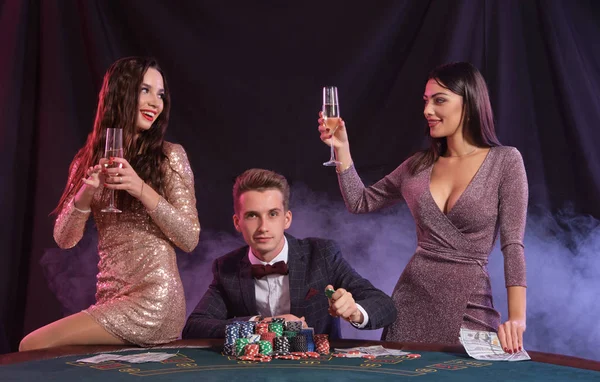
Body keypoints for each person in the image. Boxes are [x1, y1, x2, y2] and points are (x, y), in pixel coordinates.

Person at [318, 62, 528, 354]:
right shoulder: (417, 165)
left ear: (469, 103)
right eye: (426, 101)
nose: (428, 110)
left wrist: (517, 318)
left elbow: (513, 245)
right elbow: (359, 201)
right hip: (410, 304)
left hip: (470, 304)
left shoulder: (505, 161)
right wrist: (341, 149)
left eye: (439, 100)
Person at [19, 57, 200, 351]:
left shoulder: (170, 157)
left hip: (155, 301)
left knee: (32, 345)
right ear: (120, 92)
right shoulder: (86, 160)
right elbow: (64, 240)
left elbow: (189, 238)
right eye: (145, 90)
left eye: (161, 94)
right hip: (110, 299)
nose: (156, 102)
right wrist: (85, 195)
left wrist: (140, 188)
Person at [182, 168, 396, 339]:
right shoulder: (226, 268)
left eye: (273, 214)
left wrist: (355, 311)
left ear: (287, 219)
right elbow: (195, 327)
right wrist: (261, 325)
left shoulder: (321, 255)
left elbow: (385, 306)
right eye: (252, 216)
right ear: (237, 222)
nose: (263, 226)